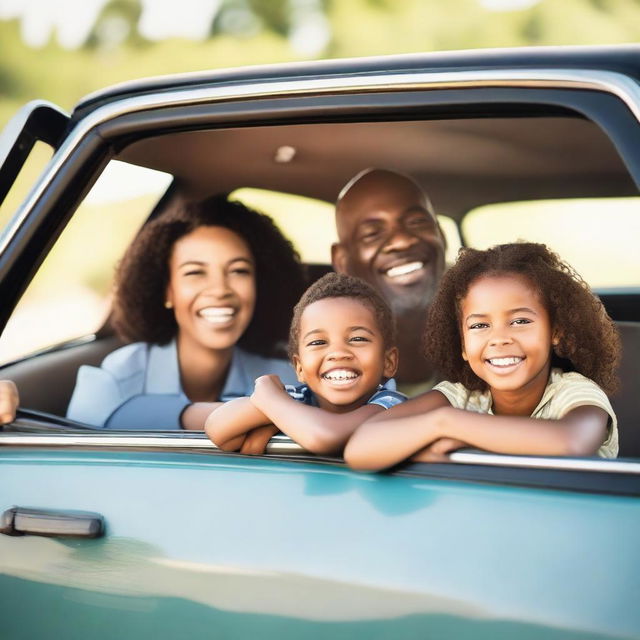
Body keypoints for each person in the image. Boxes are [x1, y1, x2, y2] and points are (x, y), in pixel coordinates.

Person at [344, 242, 621, 471]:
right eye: (479, 326)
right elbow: (360, 447)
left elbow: (571, 443)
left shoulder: (575, 393)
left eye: (520, 321)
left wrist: (446, 424)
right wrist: (439, 423)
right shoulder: (460, 397)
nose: (499, 338)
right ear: (463, 344)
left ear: (555, 332)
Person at [67, 195, 306, 430]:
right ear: (166, 291)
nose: (220, 290)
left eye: (239, 271)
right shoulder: (115, 383)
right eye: (195, 273)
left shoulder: (287, 378)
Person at [206, 273, 406, 455]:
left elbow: (326, 437)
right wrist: (280, 412)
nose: (337, 353)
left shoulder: (393, 405)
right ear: (299, 367)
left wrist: (269, 398)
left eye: (357, 339)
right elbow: (218, 427)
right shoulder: (298, 398)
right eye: (318, 342)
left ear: (388, 361)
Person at [331, 168, 446, 396]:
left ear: (441, 235)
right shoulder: (329, 365)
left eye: (417, 221)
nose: (402, 241)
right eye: (372, 233)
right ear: (342, 260)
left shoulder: (492, 337)